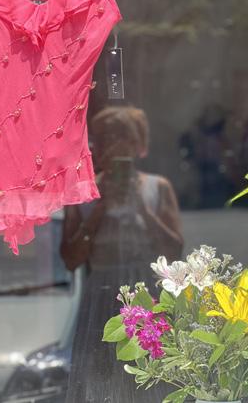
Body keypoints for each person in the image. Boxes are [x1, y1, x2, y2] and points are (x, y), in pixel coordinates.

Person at [62, 106, 183, 403]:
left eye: (122, 138)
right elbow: (70, 259)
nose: (113, 146)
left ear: (137, 144)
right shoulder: (81, 193)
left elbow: (174, 250)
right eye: (104, 139)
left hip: (147, 295)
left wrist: (141, 206)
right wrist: (100, 209)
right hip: (102, 297)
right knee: (100, 375)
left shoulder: (157, 189)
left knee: (152, 378)